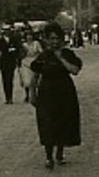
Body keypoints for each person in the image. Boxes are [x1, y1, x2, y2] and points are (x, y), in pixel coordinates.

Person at [28, 23, 82, 169]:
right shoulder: (43, 56)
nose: (54, 42)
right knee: (47, 122)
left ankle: (60, 152)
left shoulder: (68, 54)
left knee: (63, 121)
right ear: (46, 40)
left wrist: (61, 58)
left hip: (64, 91)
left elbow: (75, 70)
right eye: (51, 39)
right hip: (47, 91)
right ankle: (48, 156)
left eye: (56, 38)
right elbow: (34, 76)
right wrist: (32, 93)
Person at [0, 29, 22, 104]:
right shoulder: (0, 41)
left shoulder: (14, 40)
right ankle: (7, 97)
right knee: (4, 80)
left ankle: (10, 97)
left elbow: (18, 50)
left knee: (10, 79)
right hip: (3, 62)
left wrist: (18, 59)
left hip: (11, 62)